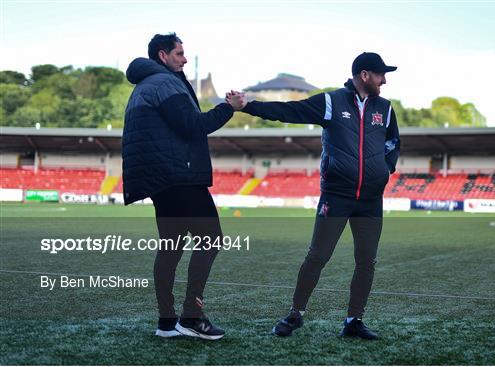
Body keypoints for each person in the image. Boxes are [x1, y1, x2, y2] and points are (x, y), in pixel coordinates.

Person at [227, 52, 400, 339]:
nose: (386, 80)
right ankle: (295, 315)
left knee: (366, 261)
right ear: (365, 75)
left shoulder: (386, 108)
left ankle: (354, 321)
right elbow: (289, 111)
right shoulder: (331, 102)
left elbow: (394, 142)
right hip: (337, 195)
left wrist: (384, 169)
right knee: (318, 256)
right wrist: (247, 106)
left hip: (370, 199)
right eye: (382, 74)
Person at [122, 33, 244, 340]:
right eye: (179, 53)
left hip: (161, 179)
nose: (185, 59)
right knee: (211, 239)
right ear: (163, 56)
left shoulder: (147, 84)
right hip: (177, 176)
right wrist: (229, 107)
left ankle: (166, 321)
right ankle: (191, 317)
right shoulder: (165, 84)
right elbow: (194, 126)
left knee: (171, 247)